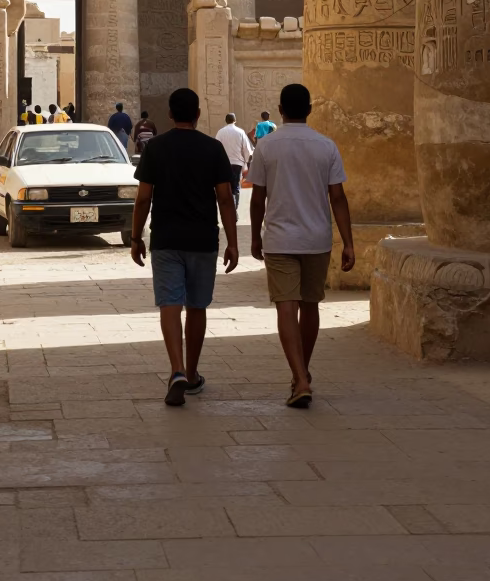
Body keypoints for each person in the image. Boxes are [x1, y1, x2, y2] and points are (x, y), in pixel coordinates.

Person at [249, 83, 355, 409]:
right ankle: (302, 373)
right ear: (309, 110)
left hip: (280, 239)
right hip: (316, 239)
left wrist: (255, 236)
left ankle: (301, 377)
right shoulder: (326, 146)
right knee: (310, 306)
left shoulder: (267, 147)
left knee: (286, 306)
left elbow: (257, 199)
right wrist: (348, 243)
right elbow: (337, 197)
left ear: (280, 109)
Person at [131, 87, 238, 407]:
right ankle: (191, 374)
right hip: (203, 239)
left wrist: (136, 238)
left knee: (169, 303)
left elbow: (144, 198)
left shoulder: (156, 149)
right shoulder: (213, 148)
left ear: (170, 114)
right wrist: (233, 243)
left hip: (165, 239)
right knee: (197, 306)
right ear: (198, 114)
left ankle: (176, 369)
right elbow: (224, 198)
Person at [215, 113, 253, 214]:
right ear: (235, 120)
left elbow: (216, 147)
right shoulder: (240, 132)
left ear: (226, 120)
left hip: (224, 163)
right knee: (235, 186)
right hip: (237, 163)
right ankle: (234, 210)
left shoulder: (220, 132)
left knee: (225, 186)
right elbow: (246, 148)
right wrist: (246, 162)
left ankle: (228, 209)